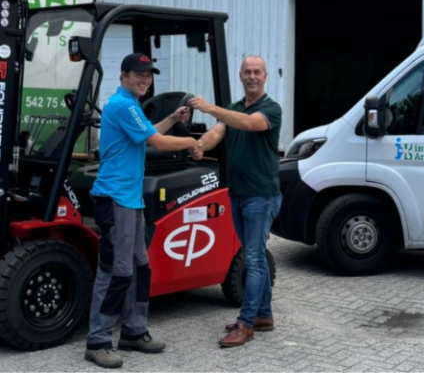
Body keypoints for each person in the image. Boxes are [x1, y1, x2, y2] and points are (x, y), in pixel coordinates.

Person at [85, 53, 202, 369]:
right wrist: (191, 140)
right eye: (139, 74)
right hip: (116, 200)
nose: (145, 79)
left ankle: (134, 332)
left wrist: (173, 119)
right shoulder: (122, 104)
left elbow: (149, 132)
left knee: (140, 266)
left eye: (149, 74)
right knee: (116, 271)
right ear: (123, 75)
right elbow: (160, 144)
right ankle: (97, 340)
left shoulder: (131, 105)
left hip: (130, 200)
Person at [189, 55, 281, 348]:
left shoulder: (271, 109)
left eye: (257, 72)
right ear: (240, 76)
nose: (251, 76)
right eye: (247, 72)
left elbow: (249, 124)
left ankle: (246, 323)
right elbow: (219, 130)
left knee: (253, 259)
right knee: (255, 255)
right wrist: (200, 144)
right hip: (238, 193)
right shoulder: (233, 109)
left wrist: (208, 107)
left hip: (261, 195)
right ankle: (263, 315)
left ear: (265, 77)